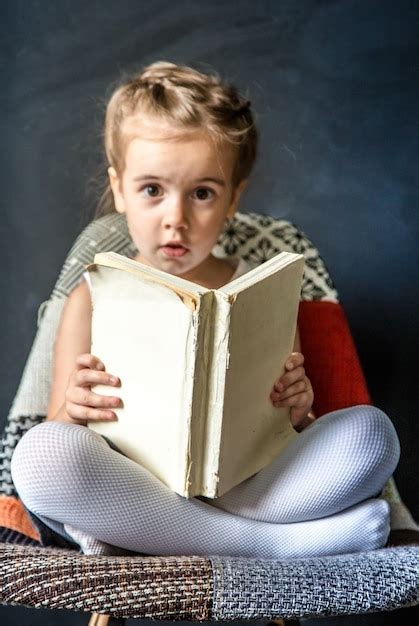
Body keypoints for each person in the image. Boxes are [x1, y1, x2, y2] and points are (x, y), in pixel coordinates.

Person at [11, 61, 400, 559]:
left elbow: (288, 424)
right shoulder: (91, 295)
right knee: (41, 458)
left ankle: (194, 533)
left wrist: (299, 410)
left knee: (371, 436)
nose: (176, 219)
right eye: (152, 190)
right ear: (120, 189)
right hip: (134, 485)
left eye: (202, 194)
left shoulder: (258, 289)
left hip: (246, 483)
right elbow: (60, 423)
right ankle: (270, 545)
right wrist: (75, 406)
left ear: (233, 197)